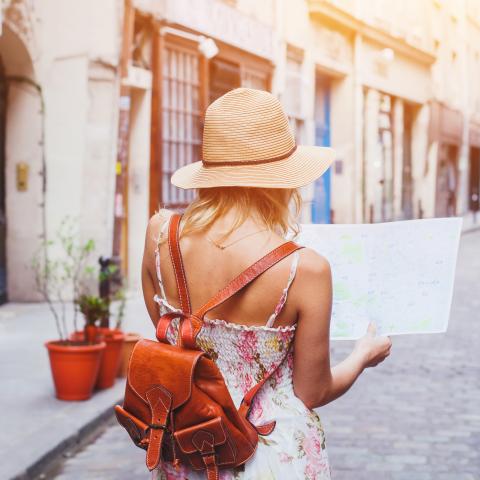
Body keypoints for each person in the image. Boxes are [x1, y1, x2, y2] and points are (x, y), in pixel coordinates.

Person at [141, 88, 392, 479]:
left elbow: (172, 338)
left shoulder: (160, 235)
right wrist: (362, 355)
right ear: (282, 180)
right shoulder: (304, 269)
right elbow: (312, 392)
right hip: (271, 456)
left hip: (188, 448)